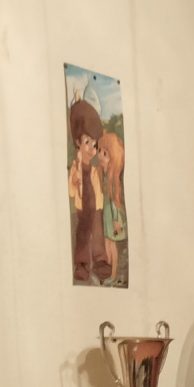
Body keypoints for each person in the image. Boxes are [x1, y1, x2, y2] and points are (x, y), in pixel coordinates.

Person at [67, 98, 108, 283]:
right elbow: (71, 192)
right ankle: (82, 264)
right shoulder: (76, 168)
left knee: (97, 233)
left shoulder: (93, 170)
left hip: (96, 206)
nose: (92, 149)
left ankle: (100, 260)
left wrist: (100, 203)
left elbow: (97, 187)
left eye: (95, 143)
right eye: (87, 142)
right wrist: (74, 181)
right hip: (83, 207)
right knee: (83, 234)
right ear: (78, 142)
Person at [97, 131, 126, 273]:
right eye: (99, 151)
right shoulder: (103, 175)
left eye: (105, 153)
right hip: (106, 216)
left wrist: (115, 221)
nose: (100, 155)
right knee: (107, 243)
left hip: (112, 217)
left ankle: (113, 273)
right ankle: (109, 272)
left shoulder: (112, 180)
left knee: (112, 245)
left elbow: (114, 202)